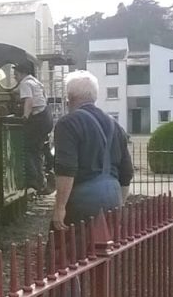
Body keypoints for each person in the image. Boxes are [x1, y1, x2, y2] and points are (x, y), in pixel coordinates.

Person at [51, 70, 134, 231]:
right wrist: (119, 204)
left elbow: (66, 169)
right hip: (113, 196)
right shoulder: (115, 126)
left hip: (83, 200)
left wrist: (60, 207)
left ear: (70, 98)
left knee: (64, 250)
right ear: (94, 96)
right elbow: (127, 172)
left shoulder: (68, 123)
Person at [15, 63, 52, 193]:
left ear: (20, 73)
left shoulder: (25, 83)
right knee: (37, 150)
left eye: (15, 74)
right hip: (46, 116)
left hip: (38, 118)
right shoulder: (36, 81)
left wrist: (25, 116)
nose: (15, 77)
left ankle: (33, 180)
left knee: (27, 148)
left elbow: (29, 100)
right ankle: (41, 182)